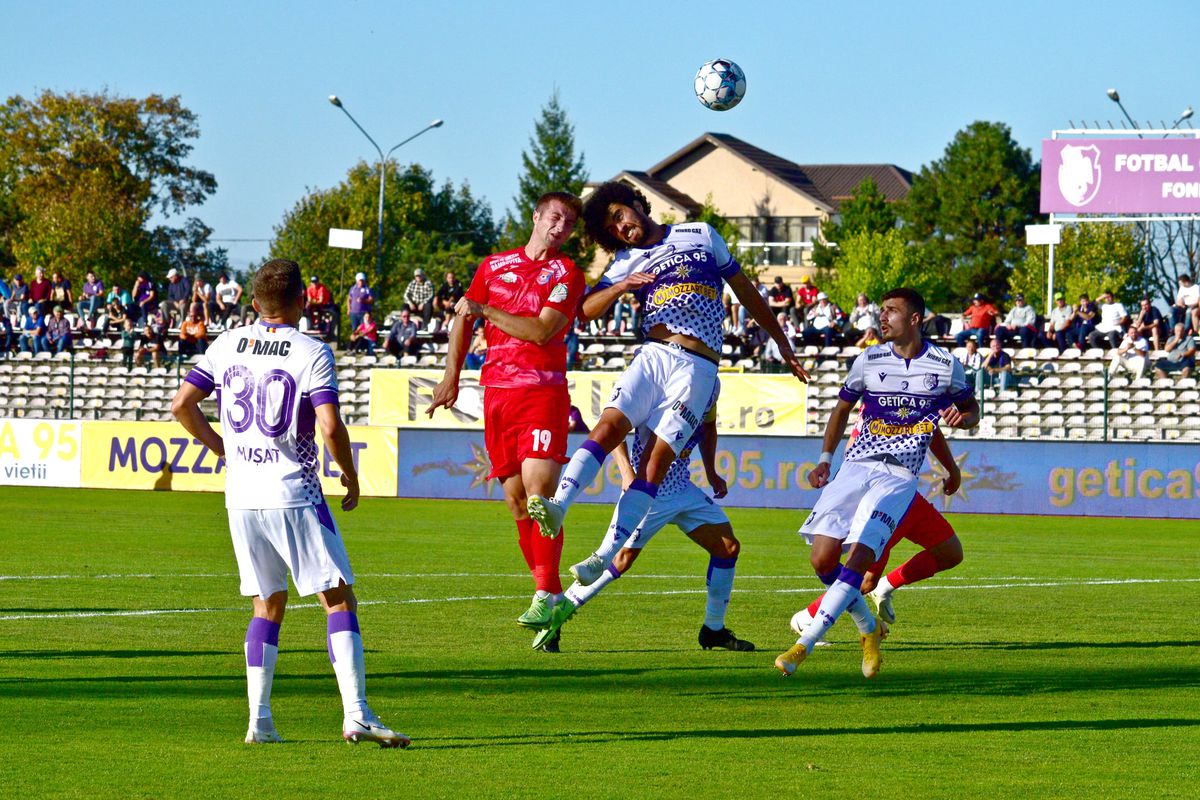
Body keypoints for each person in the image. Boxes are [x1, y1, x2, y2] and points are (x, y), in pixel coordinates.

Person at [524, 182, 807, 602]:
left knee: (655, 464)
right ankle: (559, 505)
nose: (623, 227)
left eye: (622, 214)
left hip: (698, 366)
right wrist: (620, 286)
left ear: (639, 204)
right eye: (613, 227)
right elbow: (583, 309)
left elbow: (745, 289)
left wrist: (780, 339)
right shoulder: (625, 260)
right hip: (654, 353)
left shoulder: (701, 234)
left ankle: (603, 554)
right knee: (608, 426)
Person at [170, 258, 408, 748]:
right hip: (293, 489)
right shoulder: (312, 351)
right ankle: (357, 714)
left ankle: (259, 721)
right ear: (303, 300)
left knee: (267, 604)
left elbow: (180, 406)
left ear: (255, 303)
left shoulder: (226, 343)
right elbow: (329, 425)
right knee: (337, 597)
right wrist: (349, 472)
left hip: (241, 496)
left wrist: (222, 450)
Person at [775, 287, 978, 678]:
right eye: (881, 311)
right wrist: (824, 461)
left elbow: (971, 410)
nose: (882, 317)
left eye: (891, 311)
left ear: (915, 319)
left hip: (898, 478)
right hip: (854, 466)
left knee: (861, 561)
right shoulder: (869, 359)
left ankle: (804, 644)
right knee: (821, 559)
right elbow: (841, 409)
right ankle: (868, 628)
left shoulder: (944, 365)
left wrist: (963, 419)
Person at [427, 191, 592, 651]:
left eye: (569, 223)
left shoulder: (567, 273)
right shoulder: (492, 266)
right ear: (537, 217)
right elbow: (462, 318)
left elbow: (542, 330)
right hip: (496, 395)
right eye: (556, 217)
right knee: (517, 503)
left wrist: (484, 310)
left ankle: (544, 594)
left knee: (540, 495)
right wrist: (451, 377)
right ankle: (552, 597)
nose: (561, 227)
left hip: (541, 391)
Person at [534, 383, 755, 652]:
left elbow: (709, 427)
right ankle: (555, 617)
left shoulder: (711, 385)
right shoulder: (660, 382)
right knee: (619, 560)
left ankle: (713, 630)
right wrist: (627, 471)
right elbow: (615, 428)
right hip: (649, 491)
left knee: (728, 547)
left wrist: (711, 471)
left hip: (682, 488)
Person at [791, 427, 965, 639]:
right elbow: (853, 444)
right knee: (863, 578)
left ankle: (885, 586)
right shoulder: (878, 403)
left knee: (950, 552)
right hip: (884, 492)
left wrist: (952, 469)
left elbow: (930, 425)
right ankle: (808, 618)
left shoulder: (919, 402)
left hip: (906, 492)